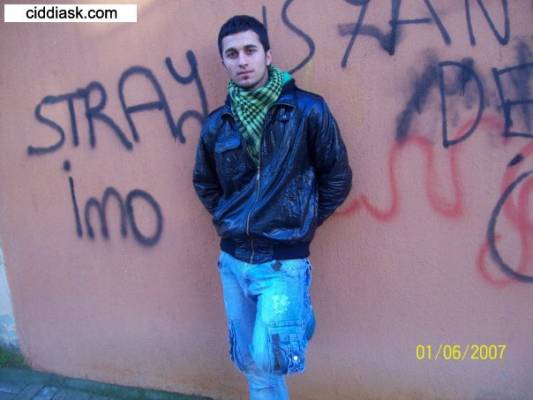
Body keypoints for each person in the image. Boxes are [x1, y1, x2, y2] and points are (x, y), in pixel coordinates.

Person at [193, 14, 352, 400]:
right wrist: (229, 219)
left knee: (267, 359)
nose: (242, 60)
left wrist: (301, 221)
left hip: (282, 260)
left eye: (250, 50)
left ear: (267, 55)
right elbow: (205, 182)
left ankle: (300, 310)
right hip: (233, 260)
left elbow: (336, 176)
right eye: (232, 54)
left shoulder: (307, 110)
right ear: (224, 62)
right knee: (250, 361)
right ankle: (298, 314)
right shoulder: (217, 124)